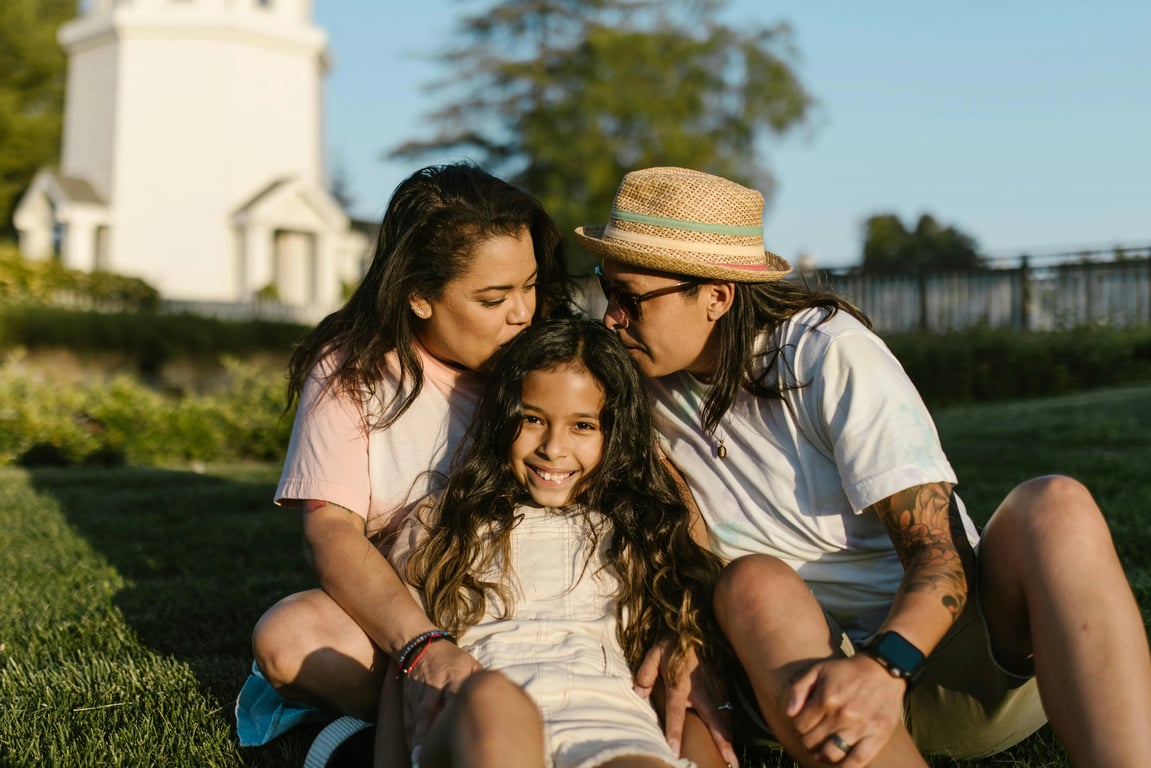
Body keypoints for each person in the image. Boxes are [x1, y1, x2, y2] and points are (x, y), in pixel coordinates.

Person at [575, 166, 1151, 767]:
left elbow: (941, 557)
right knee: (753, 583)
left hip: (945, 660)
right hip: (791, 672)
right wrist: (683, 627)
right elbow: (676, 541)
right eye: (606, 290)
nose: (611, 316)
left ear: (717, 296)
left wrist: (884, 668)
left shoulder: (825, 353)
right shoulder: (636, 384)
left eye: (631, 298)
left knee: (1053, 506)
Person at [243, 162, 577, 750]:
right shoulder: (354, 370)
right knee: (291, 637)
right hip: (418, 612)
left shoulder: (558, 361)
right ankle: (442, 718)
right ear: (419, 295)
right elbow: (331, 530)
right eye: (494, 298)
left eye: (530, 286)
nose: (523, 313)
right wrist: (423, 645)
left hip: (550, 604)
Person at [384, 318, 728, 768]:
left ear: (615, 434)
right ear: (502, 416)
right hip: (486, 721)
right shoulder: (448, 521)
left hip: (609, 720)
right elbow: (403, 660)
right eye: (531, 419)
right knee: (493, 699)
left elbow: (681, 673)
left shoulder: (640, 530)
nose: (552, 447)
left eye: (582, 426)